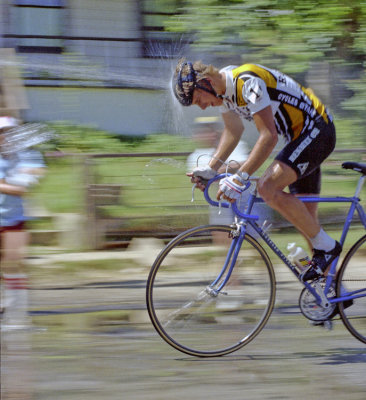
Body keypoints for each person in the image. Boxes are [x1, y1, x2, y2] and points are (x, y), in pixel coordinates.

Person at [172, 58, 341, 282]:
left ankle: (329, 249)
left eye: (198, 99)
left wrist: (240, 178)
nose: (201, 106)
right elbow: (233, 131)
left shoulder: (246, 82)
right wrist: (210, 169)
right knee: (306, 221)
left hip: (317, 129)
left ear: (206, 82)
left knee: (267, 187)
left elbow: (268, 137)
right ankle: (335, 292)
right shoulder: (223, 92)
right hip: (299, 137)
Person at [0, 116, 46, 330]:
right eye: (2, 133)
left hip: (13, 219)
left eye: (8, 132)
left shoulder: (26, 157)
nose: (5, 137)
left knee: (13, 263)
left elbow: (22, 188)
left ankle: (17, 313)